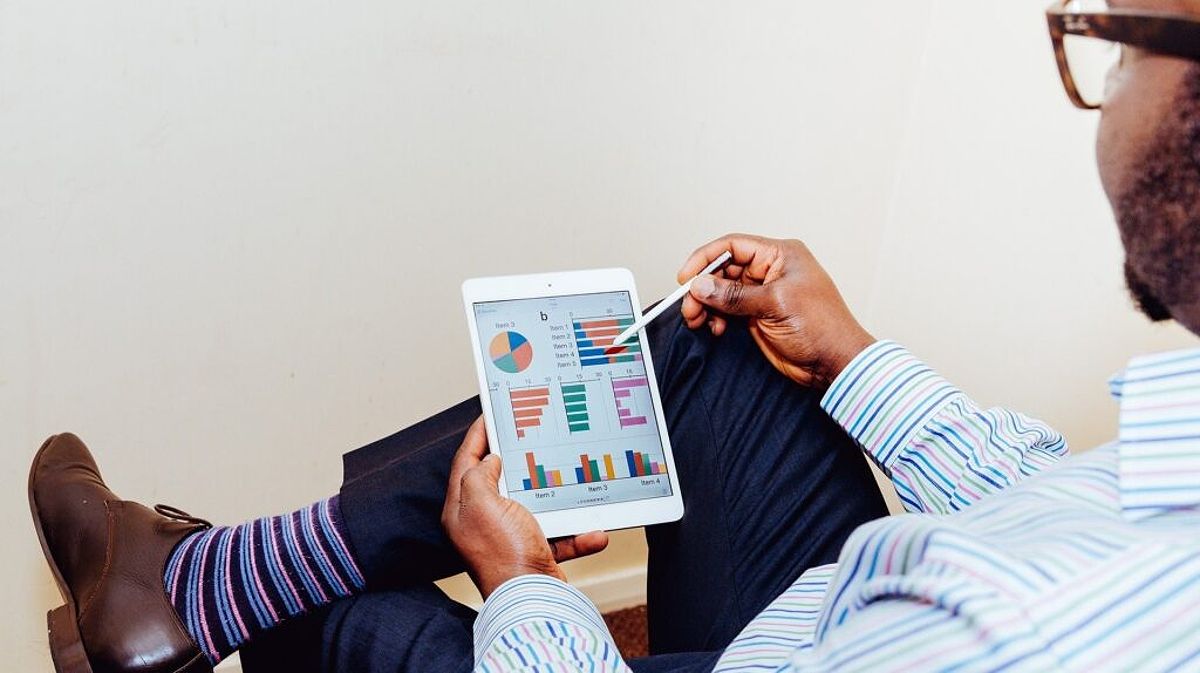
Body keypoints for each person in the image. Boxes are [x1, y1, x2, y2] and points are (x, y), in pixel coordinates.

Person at [27, 0, 1200, 671]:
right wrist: (853, 355)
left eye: (1128, 40)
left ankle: (205, 585)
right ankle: (181, 584)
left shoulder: (1037, 637)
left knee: (343, 621)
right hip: (840, 625)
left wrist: (524, 583)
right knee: (719, 339)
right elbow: (1057, 501)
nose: (1110, 74)